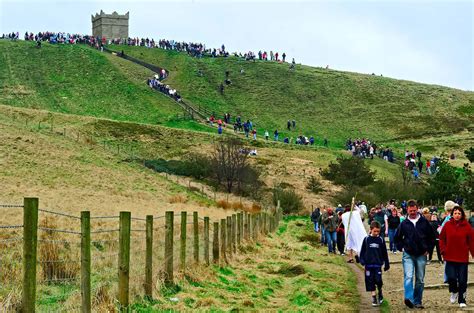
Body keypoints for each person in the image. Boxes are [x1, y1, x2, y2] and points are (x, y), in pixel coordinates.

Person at [394, 199, 436, 309]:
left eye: (414, 210)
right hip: (408, 253)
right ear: (407, 210)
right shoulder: (404, 224)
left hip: (422, 254)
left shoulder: (424, 222)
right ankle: (409, 298)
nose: (412, 212)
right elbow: (397, 238)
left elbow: (432, 237)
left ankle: (417, 301)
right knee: (408, 276)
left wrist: (429, 249)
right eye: (410, 210)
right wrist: (401, 248)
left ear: (418, 209)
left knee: (420, 279)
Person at [439, 206, 474, 308]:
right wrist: (443, 250)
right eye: (455, 213)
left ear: (462, 215)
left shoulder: (467, 226)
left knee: (463, 280)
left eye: (459, 213)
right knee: (451, 278)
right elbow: (442, 238)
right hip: (450, 256)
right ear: (452, 214)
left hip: (462, 257)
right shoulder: (447, 225)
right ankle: (454, 291)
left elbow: (471, 241)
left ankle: (462, 299)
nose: (457, 215)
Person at [360, 221, 390, 306]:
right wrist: (362, 260)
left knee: (378, 280)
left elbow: (384, 252)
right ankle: (373, 296)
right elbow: (362, 251)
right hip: (368, 265)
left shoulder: (380, 240)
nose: (376, 233)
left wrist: (386, 263)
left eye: (378, 231)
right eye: (375, 231)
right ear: (370, 230)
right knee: (370, 281)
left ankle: (380, 291)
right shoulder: (366, 239)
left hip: (377, 264)